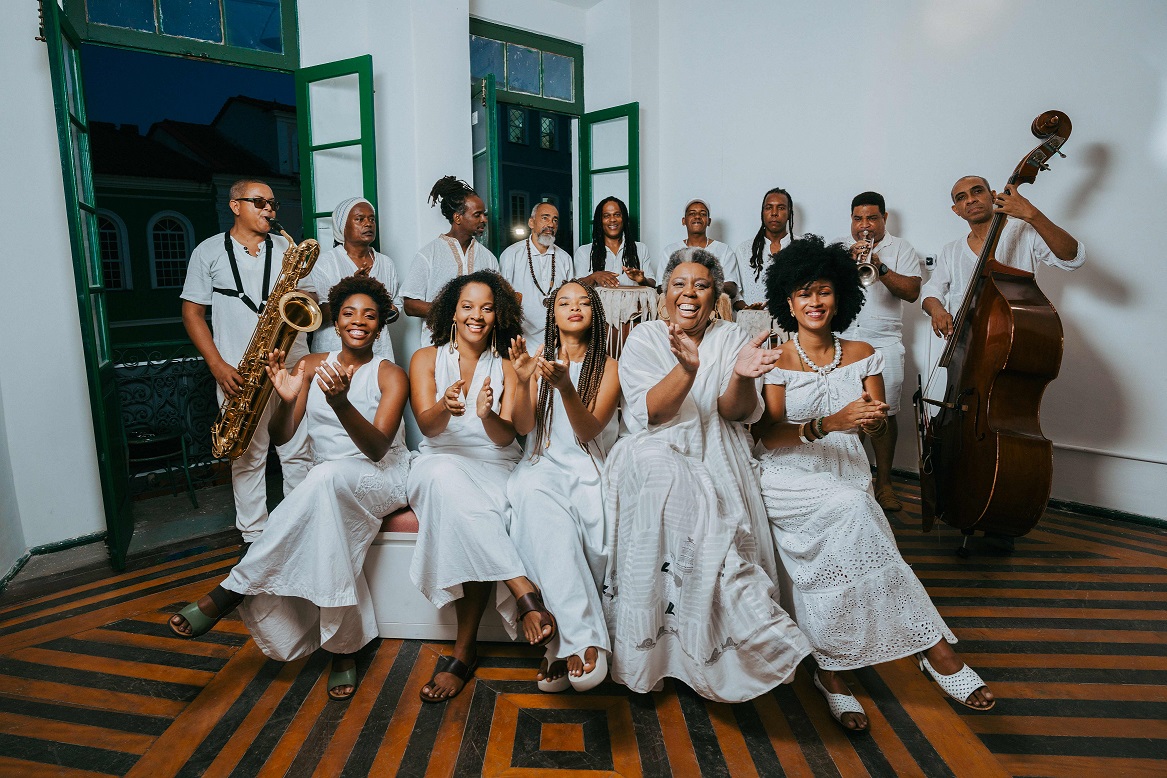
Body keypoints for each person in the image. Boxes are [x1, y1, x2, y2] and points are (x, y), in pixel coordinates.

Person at [754, 236, 994, 731]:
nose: (815, 302)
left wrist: (873, 421)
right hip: (789, 476)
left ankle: (830, 669)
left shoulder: (864, 353)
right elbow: (768, 436)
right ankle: (936, 650)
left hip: (846, 469)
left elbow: (878, 425)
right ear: (788, 303)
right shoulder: (776, 360)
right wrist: (829, 422)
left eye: (824, 291)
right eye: (803, 293)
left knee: (850, 533)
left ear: (840, 296)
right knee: (857, 513)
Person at [169, 276, 412, 702]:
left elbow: (377, 449)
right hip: (329, 483)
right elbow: (283, 435)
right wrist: (283, 399)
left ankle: (234, 588)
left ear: (379, 327)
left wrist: (341, 404)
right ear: (336, 322)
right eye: (349, 313)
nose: (358, 321)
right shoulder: (311, 365)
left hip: (382, 476)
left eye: (369, 315)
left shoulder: (391, 374)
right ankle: (344, 649)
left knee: (323, 479)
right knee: (328, 505)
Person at [602, 247, 812, 703]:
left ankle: (738, 648)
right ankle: (660, 656)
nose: (689, 293)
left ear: (716, 296)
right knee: (669, 483)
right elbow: (655, 413)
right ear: (664, 294)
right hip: (656, 446)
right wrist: (687, 368)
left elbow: (735, 412)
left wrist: (741, 377)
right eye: (679, 284)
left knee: (718, 516)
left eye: (701, 285)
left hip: (718, 445)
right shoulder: (644, 338)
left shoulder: (733, 335)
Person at [407, 271, 557, 703]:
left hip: (493, 464)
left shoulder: (508, 364)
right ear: (452, 313)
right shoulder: (425, 358)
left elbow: (507, 437)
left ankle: (464, 651)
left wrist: (488, 413)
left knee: (467, 511)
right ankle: (523, 590)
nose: (477, 315)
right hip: (437, 460)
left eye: (487, 308)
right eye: (468, 306)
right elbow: (428, 427)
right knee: (445, 480)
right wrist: (445, 406)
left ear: (498, 315)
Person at [180, 178, 313, 543]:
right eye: (259, 202)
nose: (269, 209)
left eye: (273, 203)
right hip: (239, 370)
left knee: (298, 450)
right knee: (247, 455)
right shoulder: (208, 252)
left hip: (289, 365)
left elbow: (310, 302)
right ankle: (255, 536)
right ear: (235, 206)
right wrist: (217, 365)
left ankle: (300, 529)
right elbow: (192, 314)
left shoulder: (288, 249)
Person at [507, 281, 621, 693]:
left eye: (584, 302)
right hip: (541, 464)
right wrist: (523, 381)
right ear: (552, 314)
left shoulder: (608, 366)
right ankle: (583, 639)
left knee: (573, 519)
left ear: (595, 313)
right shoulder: (536, 360)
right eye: (564, 302)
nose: (575, 307)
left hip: (587, 467)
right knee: (532, 496)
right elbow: (523, 427)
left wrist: (566, 387)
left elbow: (588, 432)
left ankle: (557, 646)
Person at [833, 191, 924, 511]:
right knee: (845, 412)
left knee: (884, 413)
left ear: (884, 218)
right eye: (858, 218)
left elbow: (912, 292)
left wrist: (879, 266)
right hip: (842, 340)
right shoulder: (838, 247)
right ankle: (851, 482)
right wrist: (845, 265)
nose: (864, 225)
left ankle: (884, 483)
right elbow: (821, 291)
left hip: (884, 343)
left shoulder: (902, 249)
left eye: (872, 218)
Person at [922, 175, 1085, 339]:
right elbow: (931, 291)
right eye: (961, 197)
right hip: (966, 343)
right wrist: (937, 310)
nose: (971, 200)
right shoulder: (951, 250)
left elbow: (1073, 259)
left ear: (993, 196)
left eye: (977, 191)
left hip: (1017, 336)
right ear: (956, 209)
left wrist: (1032, 215)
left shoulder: (1024, 230)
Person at [310, 197, 401, 361]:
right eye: (360, 219)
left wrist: (387, 309)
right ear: (342, 226)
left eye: (371, 219)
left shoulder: (386, 263)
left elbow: (395, 309)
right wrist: (350, 290)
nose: (368, 224)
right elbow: (318, 315)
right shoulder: (324, 263)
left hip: (378, 350)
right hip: (334, 351)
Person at [400, 176, 500, 321]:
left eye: (484, 214)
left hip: (478, 335)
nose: (484, 219)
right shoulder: (429, 254)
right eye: (477, 215)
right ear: (458, 218)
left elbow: (497, 300)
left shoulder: (488, 257)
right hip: (440, 335)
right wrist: (452, 312)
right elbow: (410, 305)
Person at [498, 202, 578, 350]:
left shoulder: (564, 258)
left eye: (555, 220)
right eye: (545, 218)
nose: (551, 224)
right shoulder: (511, 255)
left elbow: (570, 299)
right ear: (531, 222)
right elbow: (502, 300)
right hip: (521, 338)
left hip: (556, 339)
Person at [662, 199, 742, 300]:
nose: (697, 216)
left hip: (713, 307)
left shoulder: (724, 250)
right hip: (679, 305)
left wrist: (705, 289)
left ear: (709, 221)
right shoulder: (670, 251)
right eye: (692, 213)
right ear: (683, 221)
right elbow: (661, 286)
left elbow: (731, 287)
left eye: (703, 214)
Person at [735, 187, 796, 312]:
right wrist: (748, 309)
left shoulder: (802, 248)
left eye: (781, 208)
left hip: (793, 321)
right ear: (762, 213)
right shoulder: (744, 250)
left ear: (789, 213)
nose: (774, 213)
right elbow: (735, 295)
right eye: (769, 207)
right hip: (752, 321)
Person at [574, 197, 656, 289]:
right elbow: (576, 286)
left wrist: (642, 280)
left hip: (633, 299)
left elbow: (652, 283)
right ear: (600, 221)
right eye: (606, 216)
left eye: (617, 215)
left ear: (624, 219)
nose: (612, 219)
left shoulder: (640, 248)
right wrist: (594, 277)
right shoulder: (584, 252)